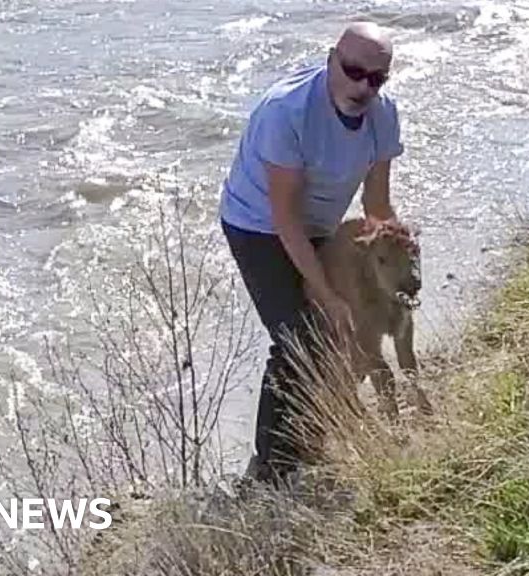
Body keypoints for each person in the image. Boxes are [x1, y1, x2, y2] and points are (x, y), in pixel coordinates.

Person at [218, 21, 405, 484]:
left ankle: (314, 434)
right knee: (301, 335)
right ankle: (270, 471)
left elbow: (377, 206)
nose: (363, 85)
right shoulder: (287, 112)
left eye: (375, 78)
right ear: (331, 60)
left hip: (321, 224)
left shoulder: (383, 116)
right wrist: (327, 295)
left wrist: (398, 253)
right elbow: (286, 219)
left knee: (354, 327)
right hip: (258, 224)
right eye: (353, 70)